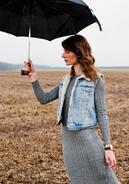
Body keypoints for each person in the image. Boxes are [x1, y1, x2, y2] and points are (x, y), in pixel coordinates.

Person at [24, 34, 121, 184]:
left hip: (88, 142)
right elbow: (44, 98)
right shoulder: (66, 80)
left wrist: (108, 147)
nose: (63, 55)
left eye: (67, 51)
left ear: (79, 52)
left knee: (105, 179)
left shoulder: (95, 79)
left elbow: (102, 114)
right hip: (69, 143)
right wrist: (33, 76)